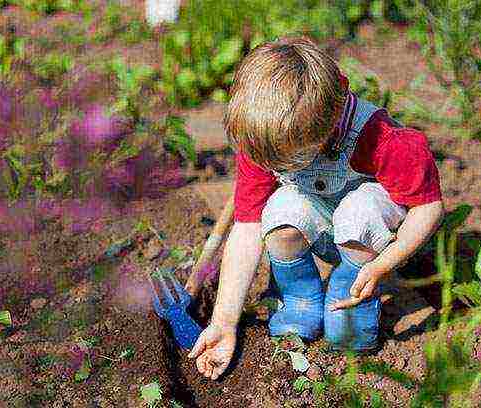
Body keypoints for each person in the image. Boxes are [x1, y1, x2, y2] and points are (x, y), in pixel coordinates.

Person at [188, 36, 444, 380]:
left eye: (287, 160)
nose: (273, 167)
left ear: (326, 128)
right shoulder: (267, 138)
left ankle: (350, 295)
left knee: (360, 213)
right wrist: (223, 321)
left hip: (370, 235)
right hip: (320, 216)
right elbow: (247, 228)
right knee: (277, 213)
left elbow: (427, 208)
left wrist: (385, 264)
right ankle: (300, 301)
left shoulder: (381, 139)